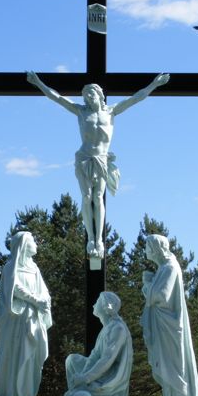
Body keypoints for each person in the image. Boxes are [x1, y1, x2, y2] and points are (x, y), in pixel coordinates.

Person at [27, 71, 170, 260]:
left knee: (97, 197)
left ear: (99, 94)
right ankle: (90, 239)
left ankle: (99, 240)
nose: (87, 97)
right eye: (85, 95)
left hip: (101, 159)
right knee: (86, 198)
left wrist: (154, 84)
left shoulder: (112, 111)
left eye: (91, 94)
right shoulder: (80, 111)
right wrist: (38, 83)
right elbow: (57, 98)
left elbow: (136, 98)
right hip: (84, 158)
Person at [0, 231, 52, 396]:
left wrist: (44, 302)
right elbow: (14, 289)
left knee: (31, 359)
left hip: (32, 321)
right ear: (24, 245)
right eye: (33, 240)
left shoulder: (35, 269)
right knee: (15, 359)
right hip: (15, 321)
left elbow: (45, 292)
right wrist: (36, 300)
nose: (36, 243)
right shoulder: (11, 267)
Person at [141, 234, 198, 396]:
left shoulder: (169, 267)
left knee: (173, 365)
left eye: (148, 247)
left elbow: (161, 295)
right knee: (167, 364)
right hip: (164, 324)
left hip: (170, 326)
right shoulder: (163, 267)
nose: (145, 251)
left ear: (156, 248)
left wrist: (147, 285)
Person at [59, 291, 134, 396]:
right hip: (99, 371)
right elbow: (94, 355)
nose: (94, 305)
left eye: (97, 302)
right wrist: (83, 374)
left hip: (110, 377)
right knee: (72, 360)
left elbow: (107, 359)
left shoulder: (118, 329)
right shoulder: (106, 328)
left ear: (106, 306)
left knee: (77, 387)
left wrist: (86, 378)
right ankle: (78, 395)